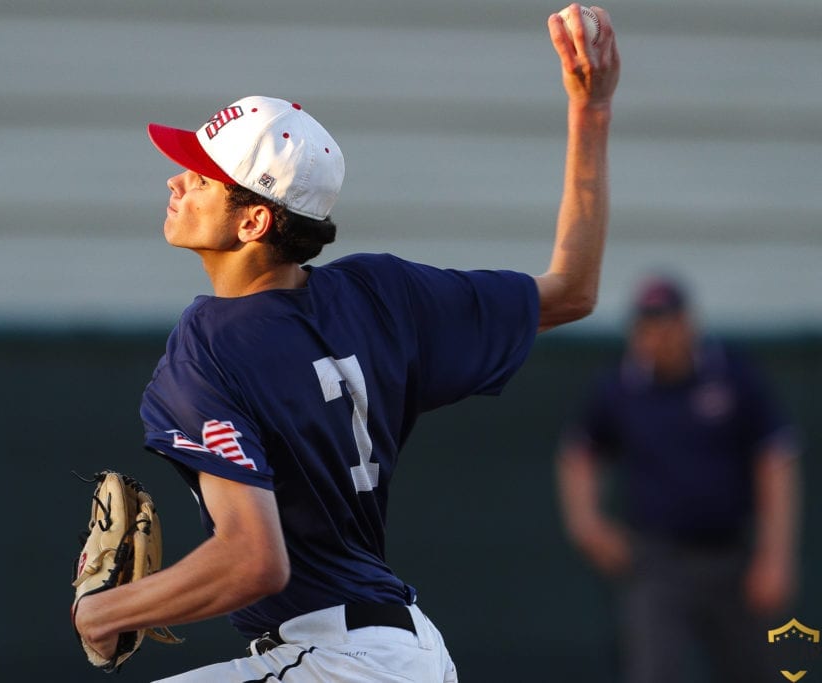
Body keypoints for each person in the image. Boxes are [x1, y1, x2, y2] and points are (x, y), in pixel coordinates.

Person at [74, 5, 620, 681]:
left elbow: (253, 560)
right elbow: (573, 289)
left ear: (253, 220)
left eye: (201, 174)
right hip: (409, 650)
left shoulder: (209, 344)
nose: (175, 179)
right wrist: (590, 112)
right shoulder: (382, 293)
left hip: (338, 661)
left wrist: (104, 612)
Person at [556, 275, 802, 683]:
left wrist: (776, 556)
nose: (659, 337)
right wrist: (586, 525)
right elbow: (579, 452)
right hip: (657, 561)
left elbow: (776, 459)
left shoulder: (732, 375)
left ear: (688, 323)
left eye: (668, 324)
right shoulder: (620, 386)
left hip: (734, 556)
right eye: (648, 327)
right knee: (652, 670)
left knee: (767, 670)